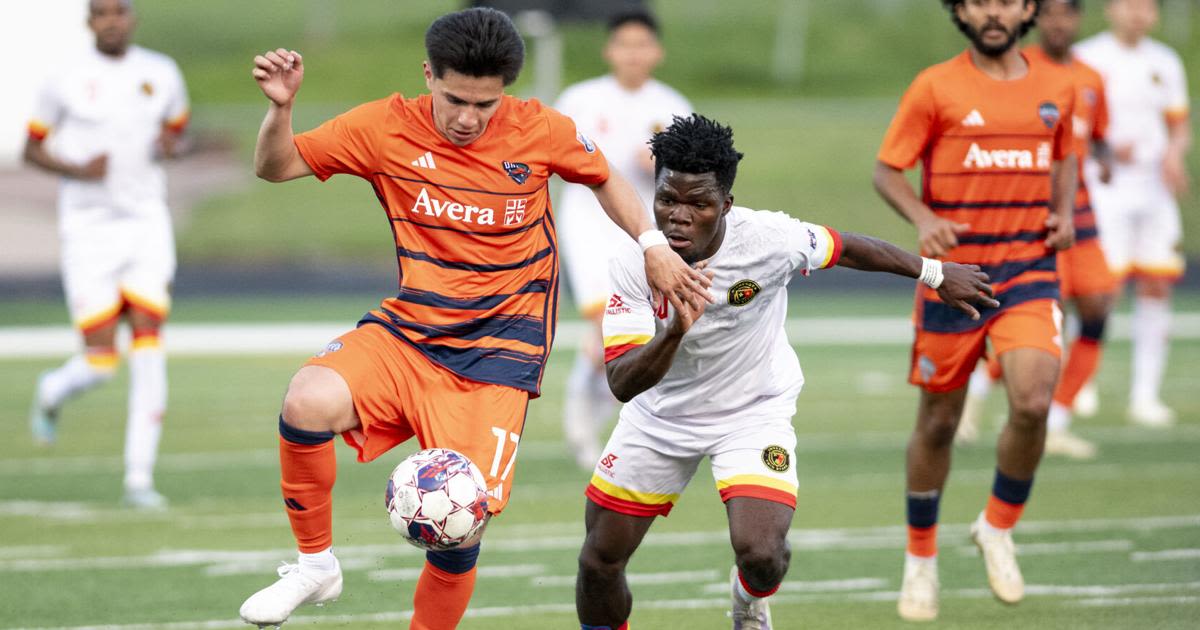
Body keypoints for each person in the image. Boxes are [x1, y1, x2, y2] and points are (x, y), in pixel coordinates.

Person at [237, 8, 711, 629]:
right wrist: (281, 109)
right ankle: (314, 564)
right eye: (456, 99)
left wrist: (652, 246)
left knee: (458, 526)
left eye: (484, 105)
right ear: (428, 74)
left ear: (504, 94)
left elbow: (606, 178)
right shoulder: (384, 127)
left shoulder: (539, 129)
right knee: (306, 400)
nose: (468, 118)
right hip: (409, 333)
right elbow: (276, 166)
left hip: (499, 357)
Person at [575, 114, 997, 630]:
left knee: (762, 553)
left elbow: (849, 247)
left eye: (699, 204)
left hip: (753, 412)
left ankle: (748, 599)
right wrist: (675, 331)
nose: (679, 217)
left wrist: (933, 273)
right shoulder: (630, 260)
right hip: (658, 418)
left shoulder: (770, 238)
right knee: (599, 561)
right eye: (667, 200)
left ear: (725, 205)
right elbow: (621, 383)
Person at [873, 0, 1079, 620]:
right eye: (979, 1)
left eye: (1008, 1)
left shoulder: (1060, 88)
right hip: (953, 281)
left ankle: (997, 525)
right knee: (938, 423)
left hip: (1029, 273)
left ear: (1028, 11)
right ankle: (921, 561)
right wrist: (925, 218)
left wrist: (1064, 212)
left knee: (1034, 401)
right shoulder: (935, 86)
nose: (994, 12)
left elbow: (1065, 155)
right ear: (960, 12)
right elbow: (887, 171)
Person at [25, 0, 189, 510]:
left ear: (132, 18)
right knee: (100, 362)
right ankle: (52, 390)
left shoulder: (160, 72)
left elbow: (177, 134)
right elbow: (31, 149)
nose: (112, 20)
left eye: (119, 11)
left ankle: (139, 478)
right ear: (89, 22)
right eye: (102, 13)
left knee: (149, 344)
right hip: (89, 229)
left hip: (145, 224)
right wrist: (76, 169)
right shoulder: (65, 78)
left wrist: (171, 144)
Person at [957, 0, 1118, 460]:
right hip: (1030, 217)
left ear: (1078, 19)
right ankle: (975, 399)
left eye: (1067, 13)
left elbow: (1096, 136)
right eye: (1049, 14)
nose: (1058, 22)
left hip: (1079, 213)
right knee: (1036, 317)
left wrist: (1106, 161)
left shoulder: (1091, 78)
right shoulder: (1020, 71)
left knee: (1099, 305)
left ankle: (1060, 419)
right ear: (1034, 19)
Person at [554, 8, 692, 470]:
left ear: (657, 51)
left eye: (642, 45)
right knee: (606, 323)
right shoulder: (580, 99)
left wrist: (664, 167)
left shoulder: (673, 106)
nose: (633, 54)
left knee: (634, 333)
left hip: (644, 233)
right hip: (588, 226)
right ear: (609, 49)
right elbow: (554, 154)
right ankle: (582, 414)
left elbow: (692, 177)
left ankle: (598, 413)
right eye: (624, 45)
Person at [1075, 0, 1191, 427]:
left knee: (1157, 286)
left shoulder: (1165, 61)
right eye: (1129, 4)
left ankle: (1146, 395)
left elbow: (1179, 126)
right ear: (1110, 9)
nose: (1137, 13)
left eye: (1146, 6)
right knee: (1100, 290)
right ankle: (1081, 382)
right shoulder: (1088, 56)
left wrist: (1176, 156)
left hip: (1155, 189)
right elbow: (1070, 127)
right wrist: (1103, 149)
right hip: (1107, 187)